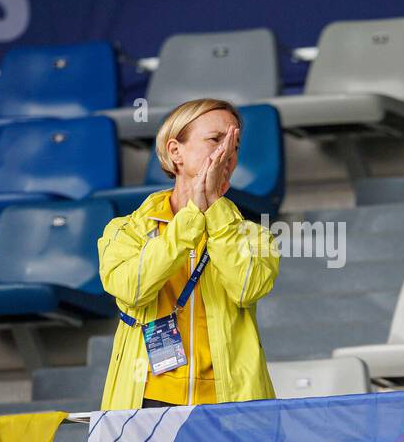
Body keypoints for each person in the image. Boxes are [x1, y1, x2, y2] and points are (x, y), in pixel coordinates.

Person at [98, 99, 278, 409]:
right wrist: (192, 218)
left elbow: (248, 288)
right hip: (148, 399)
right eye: (215, 139)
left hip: (229, 401)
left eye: (234, 144)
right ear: (175, 151)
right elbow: (132, 289)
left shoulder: (253, 234)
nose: (227, 152)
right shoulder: (125, 230)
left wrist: (215, 212)